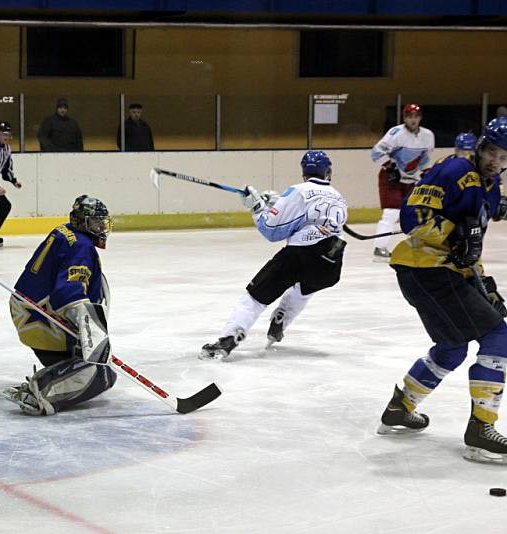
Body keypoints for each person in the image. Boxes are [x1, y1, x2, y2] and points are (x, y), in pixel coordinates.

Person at [376, 117, 507, 464]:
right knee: (499, 337)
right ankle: (481, 429)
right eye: (492, 152)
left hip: (436, 272)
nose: (496, 161)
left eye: (503, 157)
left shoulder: (489, 186)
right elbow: (413, 219)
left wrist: (483, 284)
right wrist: (451, 233)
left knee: (451, 349)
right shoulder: (453, 171)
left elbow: (470, 246)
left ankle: (400, 407)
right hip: (427, 268)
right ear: (481, 147)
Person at [200, 150, 348, 360]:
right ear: (329, 172)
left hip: (300, 255)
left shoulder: (298, 191)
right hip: (332, 263)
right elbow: (315, 219)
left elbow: (272, 231)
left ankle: (229, 338)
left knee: (254, 298)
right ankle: (282, 318)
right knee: (304, 288)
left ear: (304, 172)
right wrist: (278, 204)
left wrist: (258, 208)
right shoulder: (339, 197)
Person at [2, 195, 117, 415]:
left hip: (30, 309)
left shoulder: (66, 232)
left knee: (87, 363)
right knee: (102, 373)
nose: (101, 227)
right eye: (95, 222)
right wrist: (92, 335)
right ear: (82, 222)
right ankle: (40, 393)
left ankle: (49, 378)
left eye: (102, 222)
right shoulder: (82, 246)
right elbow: (68, 294)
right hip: (39, 317)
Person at [370, 103, 435, 261]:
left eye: (416, 116)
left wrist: (427, 175)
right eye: (409, 116)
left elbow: (425, 159)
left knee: (415, 212)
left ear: (420, 118)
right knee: (391, 213)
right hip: (390, 179)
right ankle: (380, 248)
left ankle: (416, 245)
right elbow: (376, 152)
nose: (413, 120)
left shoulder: (428, 135)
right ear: (404, 118)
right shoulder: (396, 133)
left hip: (411, 179)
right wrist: (391, 169)